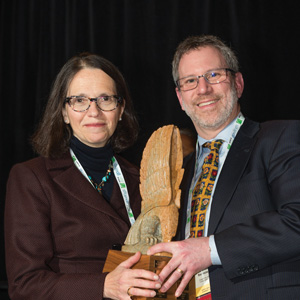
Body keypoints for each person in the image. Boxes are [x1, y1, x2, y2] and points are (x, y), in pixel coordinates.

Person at [147, 35, 300, 299]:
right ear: (180, 98)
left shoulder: (280, 138)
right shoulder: (179, 173)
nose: (203, 89)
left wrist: (208, 250)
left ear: (238, 84)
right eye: (190, 81)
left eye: (214, 74)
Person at [4, 53, 161, 300]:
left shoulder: (140, 178)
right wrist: (103, 286)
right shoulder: (32, 178)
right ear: (64, 113)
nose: (94, 111)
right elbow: (24, 284)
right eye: (79, 100)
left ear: (120, 110)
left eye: (105, 99)